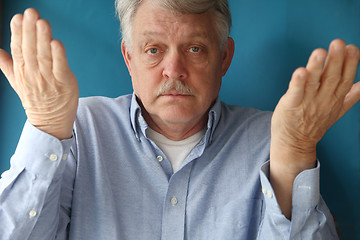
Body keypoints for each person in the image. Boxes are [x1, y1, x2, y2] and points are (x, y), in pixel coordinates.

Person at [0, 0, 359, 239]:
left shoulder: (275, 138)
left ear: (223, 58)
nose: (174, 70)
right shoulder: (77, 128)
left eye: (195, 49)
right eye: (153, 50)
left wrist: (295, 155)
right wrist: (46, 127)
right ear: (129, 59)